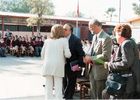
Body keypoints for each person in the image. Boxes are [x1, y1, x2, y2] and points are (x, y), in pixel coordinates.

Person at [102, 24, 140, 99]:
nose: (115, 37)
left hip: (125, 83)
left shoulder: (127, 43)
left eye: (116, 34)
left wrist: (110, 65)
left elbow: (126, 63)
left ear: (119, 34)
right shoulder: (128, 42)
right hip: (125, 82)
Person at [83, 19, 112, 99]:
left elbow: (106, 57)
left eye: (90, 27)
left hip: (100, 72)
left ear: (94, 27)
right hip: (92, 70)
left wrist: (91, 58)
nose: (89, 29)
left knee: (99, 95)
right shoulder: (95, 36)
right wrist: (88, 57)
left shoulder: (106, 38)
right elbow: (94, 53)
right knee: (93, 95)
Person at [41, 24, 71, 99]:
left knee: (48, 87)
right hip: (58, 65)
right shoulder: (64, 40)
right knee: (58, 87)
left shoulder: (47, 41)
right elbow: (68, 54)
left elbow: (42, 54)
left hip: (47, 65)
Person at [63, 23, 85, 99]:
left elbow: (81, 54)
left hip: (73, 65)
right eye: (63, 29)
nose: (63, 31)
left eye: (65, 29)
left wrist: (81, 65)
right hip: (63, 65)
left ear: (70, 31)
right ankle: (65, 96)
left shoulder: (76, 40)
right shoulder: (61, 39)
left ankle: (69, 97)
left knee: (71, 82)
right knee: (64, 81)